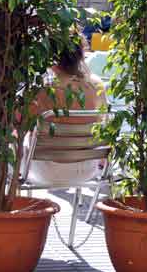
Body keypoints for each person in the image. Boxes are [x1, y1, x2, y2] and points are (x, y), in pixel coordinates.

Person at [26, 35, 107, 186]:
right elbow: (106, 127)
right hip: (87, 170)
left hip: (44, 170)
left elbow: (16, 126)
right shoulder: (97, 85)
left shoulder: (42, 88)